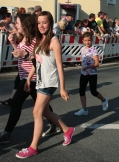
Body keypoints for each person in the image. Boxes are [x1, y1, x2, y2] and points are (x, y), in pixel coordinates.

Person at [16, 11, 75, 159]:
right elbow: (38, 61)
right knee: (45, 112)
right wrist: (29, 78)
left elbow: (60, 66)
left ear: (50, 23)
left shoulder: (54, 41)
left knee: (36, 112)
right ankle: (67, 130)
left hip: (50, 82)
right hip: (40, 80)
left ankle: (33, 147)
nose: (41, 25)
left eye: (45, 22)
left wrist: (62, 88)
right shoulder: (38, 40)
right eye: (39, 22)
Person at [0, 14, 59, 144]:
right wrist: (13, 44)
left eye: (17, 23)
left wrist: (25, 54)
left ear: (25, 25)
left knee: (16, 102)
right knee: (43, 106)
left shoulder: (34, 41)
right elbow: (19, 55)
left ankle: (6, 133)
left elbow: (37, 60)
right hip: (24, 76)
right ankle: (55, 125)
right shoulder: (23, 38)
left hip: (32, 77)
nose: (15, 25)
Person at [74, 32, 108, 116]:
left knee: (93, 91)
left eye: (89, 40)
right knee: (81, 90)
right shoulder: (82, 49)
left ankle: (104, 100)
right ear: (82, 40)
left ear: (92, 40)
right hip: (83, 73)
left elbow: (97, 64)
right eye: (85, 40)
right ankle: (84, 109)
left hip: (92, 74)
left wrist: (88, 67)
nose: (87, 42)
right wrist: (83, 67)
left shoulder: (94, 49)